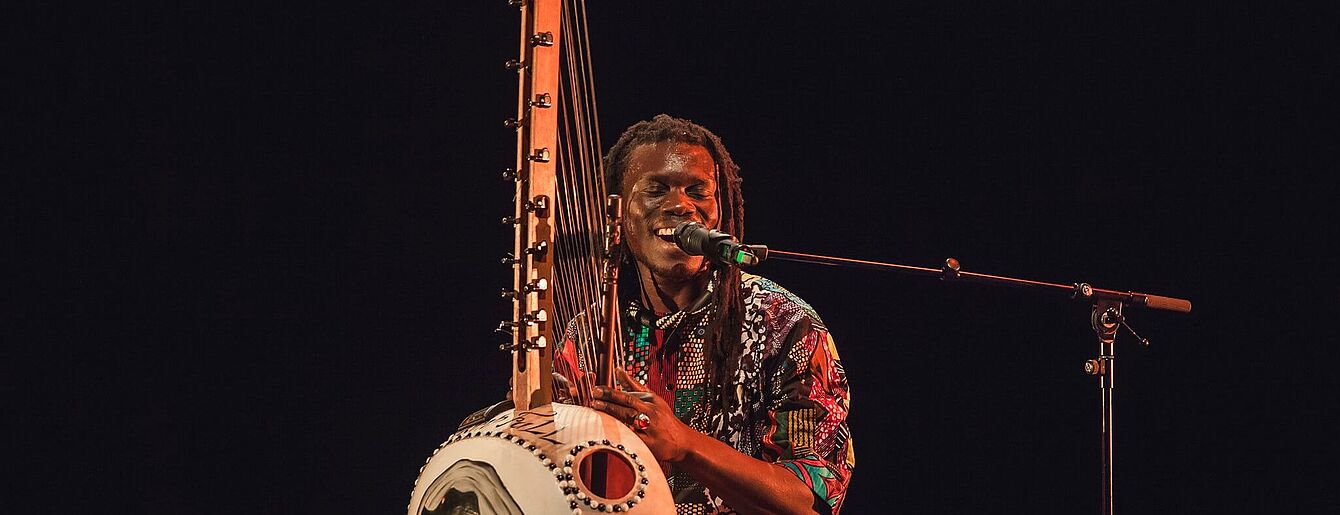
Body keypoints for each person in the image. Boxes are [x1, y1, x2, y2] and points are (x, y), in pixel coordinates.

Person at [554, 114, 854, 514]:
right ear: (619, 216)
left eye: (698, 191)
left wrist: (684, 444)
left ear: (721, 212)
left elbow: (810, 497)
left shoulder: (785, 325)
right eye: (656, 190)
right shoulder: (588, 337)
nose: (680, 205)